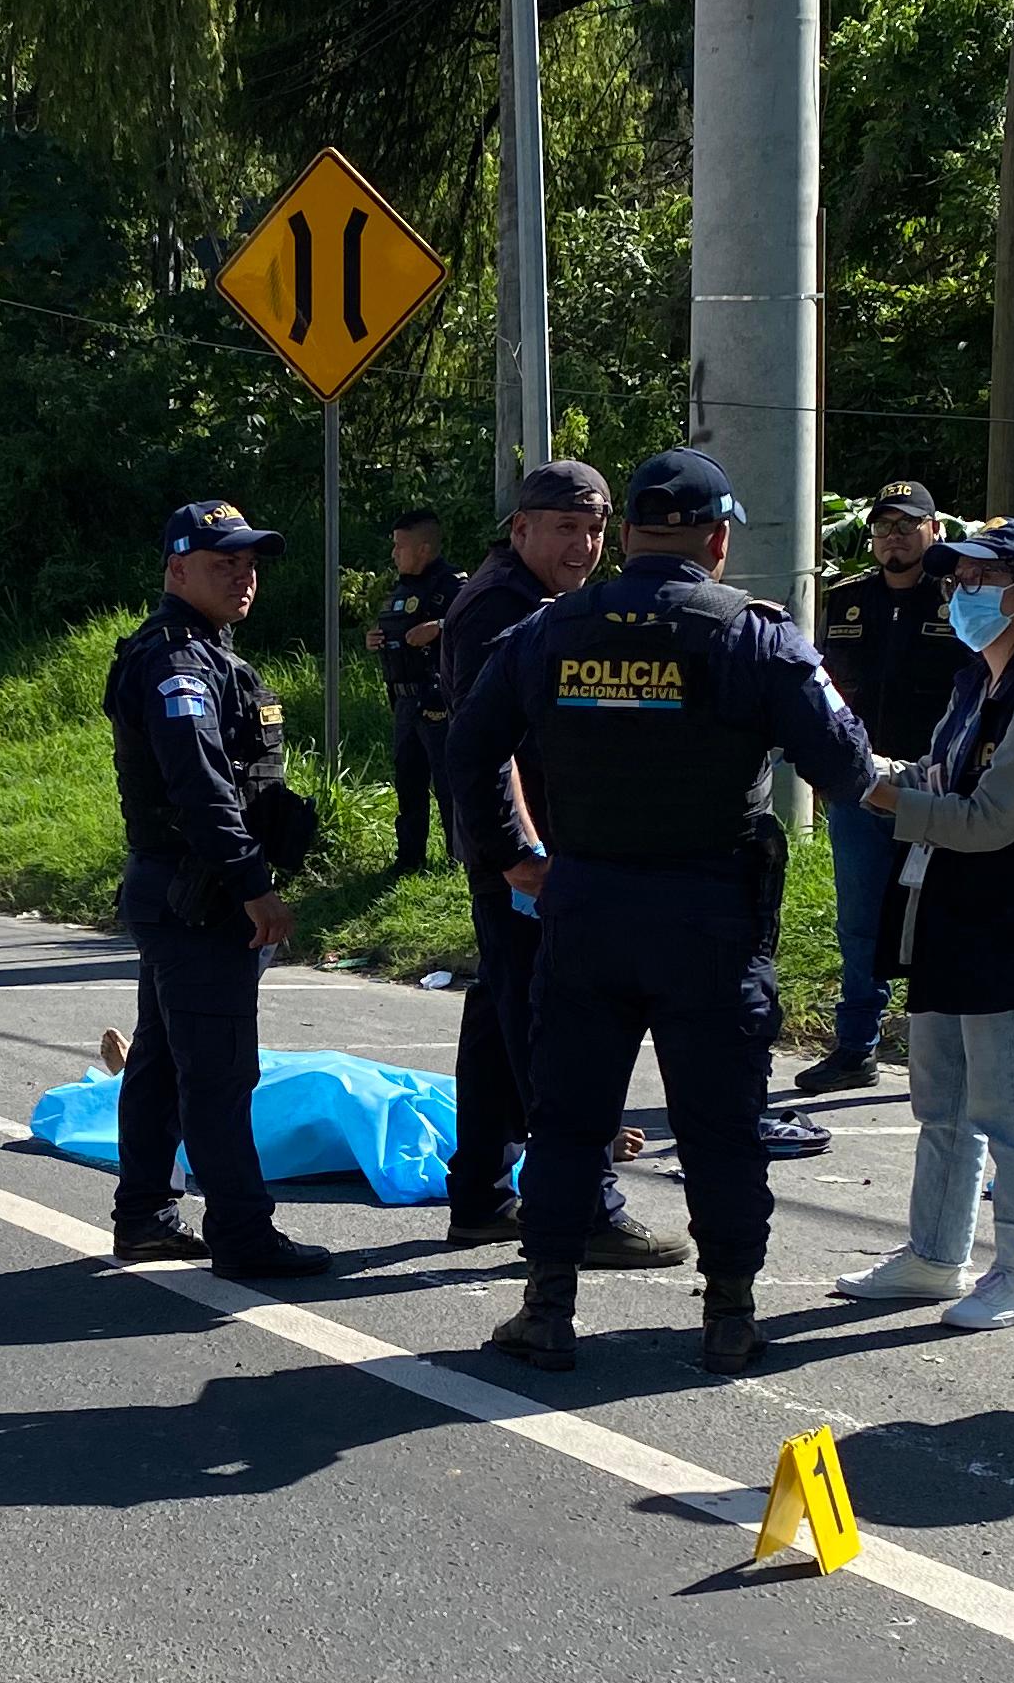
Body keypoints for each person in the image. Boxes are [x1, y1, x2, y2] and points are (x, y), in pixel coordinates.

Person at [449, 447, 877, 1375]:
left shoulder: (549, 630)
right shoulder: (752, 634)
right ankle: (729, 1314)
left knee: (568, 1115)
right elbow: (844, 766)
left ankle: (548, 1309)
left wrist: (514, 857)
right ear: (718, 539)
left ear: (628, 533)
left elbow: (467, 747)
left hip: (587, 902)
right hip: (708, 914)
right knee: (721, 1121)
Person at [831, 519, 1014, 1333]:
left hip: (1011, 928)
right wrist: (866, 766)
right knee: (941, 1099)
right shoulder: (973, 683)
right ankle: (934, 1256)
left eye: (982, 579)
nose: (962, 593)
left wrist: (877, 796)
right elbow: (937, 776)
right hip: (948, 916)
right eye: (957, 579)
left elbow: (987, 821)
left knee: (1012, 1106)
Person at [431, 462, 683, 1271]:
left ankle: (480, 1193)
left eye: (595, 528)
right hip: (523, 862)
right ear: (521, 529)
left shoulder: (526, 598)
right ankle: (582, 1209)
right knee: (552, 1028)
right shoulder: (500, 609)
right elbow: (485, 744)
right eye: (565, 527)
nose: (583, 544)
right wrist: (519, 854)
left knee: (499, 1024)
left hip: (519, 855)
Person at [103, 500, 332, 1279]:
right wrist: (253, 886)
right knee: (221, 1070)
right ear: (176, 569)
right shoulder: (176, 663)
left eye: (249, 563)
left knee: (166, 1060)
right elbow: (200, 787)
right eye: (222, 562)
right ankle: (240, 1232)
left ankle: (144, 1217)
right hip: (199, 895)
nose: (243, 575)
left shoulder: (208, 652)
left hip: (186, 891)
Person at [797, 479, 963, 1094]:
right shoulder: (844, 603)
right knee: (861, 924)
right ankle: (856, 1047)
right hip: (861, 789)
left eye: (907, 525)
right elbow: (819, 695)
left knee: (935, 921)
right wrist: (825, 768)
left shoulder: (958, 601)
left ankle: (937, 1055)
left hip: (935, 790)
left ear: (934, 530)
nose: (894, 537)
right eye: (884, 526)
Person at [373, 507, 460, 873]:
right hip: (404, 699)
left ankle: (461, 857)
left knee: (447, 781)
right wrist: (379, 639)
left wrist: (439, 626)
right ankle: (409, 858)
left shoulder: (453, 586)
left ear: (424, 549)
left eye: (400, 547)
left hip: (436, 696)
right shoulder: (401, 588)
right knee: (408, 781)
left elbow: (478, 625)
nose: (394, 554)